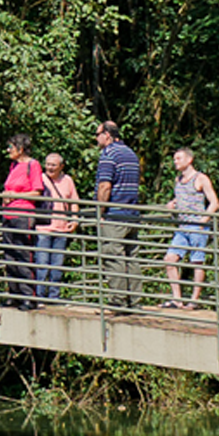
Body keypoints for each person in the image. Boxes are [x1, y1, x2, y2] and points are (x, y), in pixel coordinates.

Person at [162, 147, 219, 308]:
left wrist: (203, 221)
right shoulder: (178, 179)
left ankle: (194, 300)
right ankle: (177, 298)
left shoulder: (201, 178)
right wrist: (172, 204)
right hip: (182, 227)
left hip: (197, 226)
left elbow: (214, 202)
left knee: (197, 262)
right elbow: (181, 197)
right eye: (174, 159)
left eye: (178, 158)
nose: (175, 161)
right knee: (170, 259)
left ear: (189, 160)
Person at [94, 121, 142, 312]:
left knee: (113, 257)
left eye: (97, 134)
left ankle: (117, 302)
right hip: (132, 213)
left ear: (107, 135)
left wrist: (100, 211)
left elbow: (105, 186)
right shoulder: (130, 153)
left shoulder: (109, 154)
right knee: (131, 258)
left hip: (115, 214)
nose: (96, 139)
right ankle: (135, 302)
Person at [2, 132, 44, 309]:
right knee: (9, 255)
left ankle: (28, 295)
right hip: (8, 215)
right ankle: (14, 293)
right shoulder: (13, 166)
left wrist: (16, 195)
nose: (8, 150)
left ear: (20, 149)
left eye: (10, 147)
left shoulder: (32, 165)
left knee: (23, 254)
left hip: (23, 214)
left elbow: (37, 191)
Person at [38, 153, 81, 301]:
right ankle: (40, 296)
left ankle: (54, 296)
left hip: (61, 228)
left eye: (53, 165)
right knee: (42, 264)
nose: (49, 168)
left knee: (57, 265)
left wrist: (74, 220)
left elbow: (74, 201)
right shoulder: (40, 179)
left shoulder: (67, 180)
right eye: (48, 164)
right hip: (43, 228)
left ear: (61, 166)